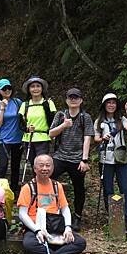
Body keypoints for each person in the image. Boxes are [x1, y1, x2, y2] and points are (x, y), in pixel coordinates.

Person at [17, 154, 86, 254]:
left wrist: (68, 228)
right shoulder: (28, 188)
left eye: (48, 165)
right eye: (41, 165)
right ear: (35, 169)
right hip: (36, 228)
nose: (45, 168)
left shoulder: (56, 186)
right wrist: (37, 230)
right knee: (29, 243)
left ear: (53, 168)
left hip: (56, 227)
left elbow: (65, 208)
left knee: (80, 242)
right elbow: (22, 214)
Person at [49, 88, 94, 232]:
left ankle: (77, 216)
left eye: (76, 97)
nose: (73, 100)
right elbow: (51, 134)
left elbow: (87, 138)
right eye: (70, 97)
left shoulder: (85, 117)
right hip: (60, 156)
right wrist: (63, 125)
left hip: (77, 159)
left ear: (81, 100)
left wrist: (84, 160)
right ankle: (52, 211)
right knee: (49, 181)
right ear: (66, 100)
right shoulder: (61, 115)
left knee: (79, 189)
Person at [94, 93, 127, 231]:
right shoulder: (99, 121)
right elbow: (96, 138)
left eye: (113, 103)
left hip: (121, 158)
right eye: (108, 102)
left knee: (125, 189)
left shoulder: (120, 119)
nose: (111, 105)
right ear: (104, 105)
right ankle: (113, 216)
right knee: (108, 189)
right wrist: (102, 138)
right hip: (105, 158)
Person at [18, 76, 57, 180]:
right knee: (33, 165)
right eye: (32, 87)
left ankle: (44, 184)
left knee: (42, 165)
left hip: (43, 138)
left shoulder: (48, 103)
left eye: (38, 86)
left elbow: (53, 121)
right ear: (29, 89)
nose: (35, 89)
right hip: (28, 138)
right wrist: (27, 129)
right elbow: (20, 124)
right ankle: (37, 186)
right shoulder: (25, 104)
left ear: (42, 88)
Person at [0, 78, 24, 193]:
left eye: (9, 88)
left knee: (15, 166)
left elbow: (24, 118)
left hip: (18, 139)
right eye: (4, 89)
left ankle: (13, 191)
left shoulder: (17, 102)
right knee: (3, 165)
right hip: (3, 140)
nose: (7, 90)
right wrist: (2, 108)